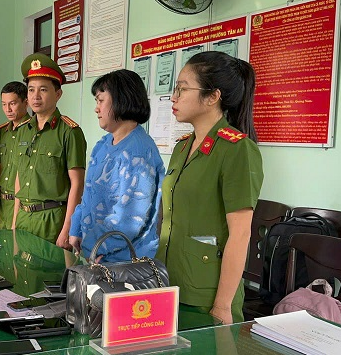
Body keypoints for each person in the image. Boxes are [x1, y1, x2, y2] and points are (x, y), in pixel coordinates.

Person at [155, 51, 264, 325]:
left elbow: (240, 234)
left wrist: (222, 305)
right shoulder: (182, 147)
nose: (174, 97)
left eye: (182, 88)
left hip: (205, 294)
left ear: (213, 97)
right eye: (175, 88)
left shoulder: (237, 149)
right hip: (169, 282)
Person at [69, 69, 165, 263]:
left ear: (121, 99)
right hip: (97, 254)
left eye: (100, 100)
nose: (96, 108)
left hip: (123, 261)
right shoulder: (103, 145)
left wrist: (92, 246)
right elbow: (87, 195)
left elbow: (130, 219)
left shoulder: (138, 151)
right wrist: (76, 229)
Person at [13, 53, 87, 249]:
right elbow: (19, 178)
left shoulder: (69, 132)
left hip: (52, 221)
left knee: (49, 278)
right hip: (23, 219)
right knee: (22, 275)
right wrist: (13, 223)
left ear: (58, 94)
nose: (36, 96)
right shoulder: (22, 131)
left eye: (43, 90)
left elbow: (77, 184)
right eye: (31, 90)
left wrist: (67, 230)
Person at [0, 81, 31, 230]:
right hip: (2, 203)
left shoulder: (33, 130)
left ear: (25, 102)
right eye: (4, 104)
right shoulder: (2, 132)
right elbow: (0, 165)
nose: (8, 109)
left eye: (12, 104)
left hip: (21, 205)